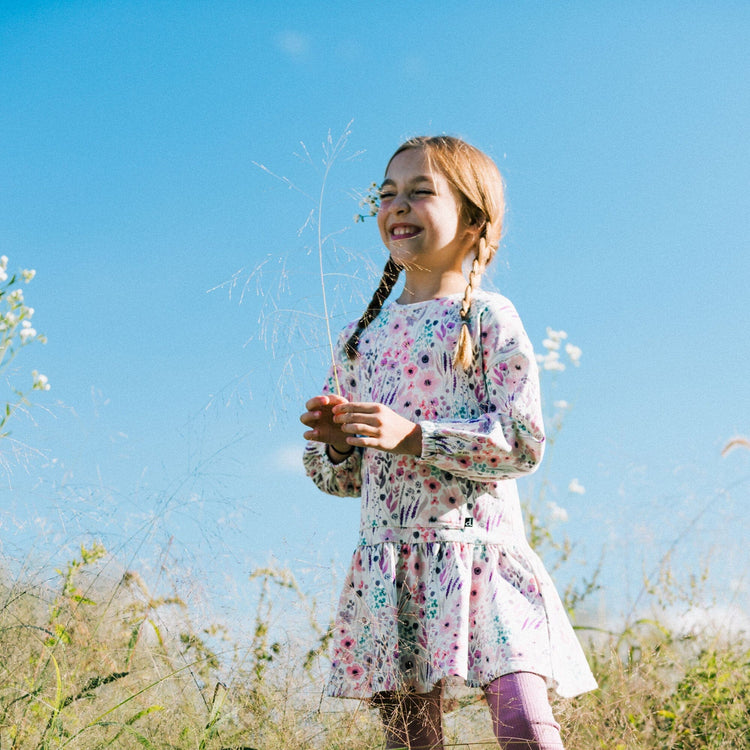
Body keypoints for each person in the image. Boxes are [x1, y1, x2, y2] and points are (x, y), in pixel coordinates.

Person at [300, 135, 596, 750]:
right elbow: (338, 480)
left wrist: (416, 437)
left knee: (525, 727)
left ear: (472, 219)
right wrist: (336, 445)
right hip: (392, 565)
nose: (397, 206)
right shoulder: (362, 340)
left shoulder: (488, 317)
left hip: (483, 556)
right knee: (412, 742)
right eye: (386, 195)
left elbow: (522, 443)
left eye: (420, 192)